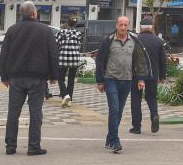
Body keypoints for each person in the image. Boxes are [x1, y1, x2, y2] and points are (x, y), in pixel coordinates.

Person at [0, 1, 59, 156]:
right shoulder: (45, 30)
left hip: (16, 78)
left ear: (22, 14)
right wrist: (54, 76)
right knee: (35, 113)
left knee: (13, 112)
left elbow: (4, 55)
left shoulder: (12, 30)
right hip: (37, 78)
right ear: (34, 13)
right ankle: (33, 147)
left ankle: (10, 146)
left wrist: (4, 76)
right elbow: (53, 53)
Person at [94, 16, 151, 153]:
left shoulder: (134, 41)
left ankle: (109, 137)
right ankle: (115, 141)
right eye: (121, 25)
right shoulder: (108, 40)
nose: (123, 27)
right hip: (110, 79)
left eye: (126, 25)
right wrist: (100, 81)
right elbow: (100, 60)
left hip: (127, 80)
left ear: (128, 25)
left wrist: (141, 79)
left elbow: (140, 61)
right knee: (114, 109)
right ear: (116, 25)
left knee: (118, 111)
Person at [131, 22, 167, 134]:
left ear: (140, 27)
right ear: (152, 27)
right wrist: (162, 76)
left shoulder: (135, 40)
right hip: (153, 75)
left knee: (136, 99)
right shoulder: (158, 41)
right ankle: (154, 115)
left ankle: (136, 127)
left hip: (137, 75)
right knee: (151, 97)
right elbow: (163, 61)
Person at [56, 17, 83, 107]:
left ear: (67, 23)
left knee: (60, 78)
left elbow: (56, 44)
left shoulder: (60, 32)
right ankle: (69, 99)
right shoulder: (78, 33)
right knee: (71, 80)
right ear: (75, 24)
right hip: (74, 60)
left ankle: (65, 95)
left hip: (63, 59)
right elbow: (79, 46)